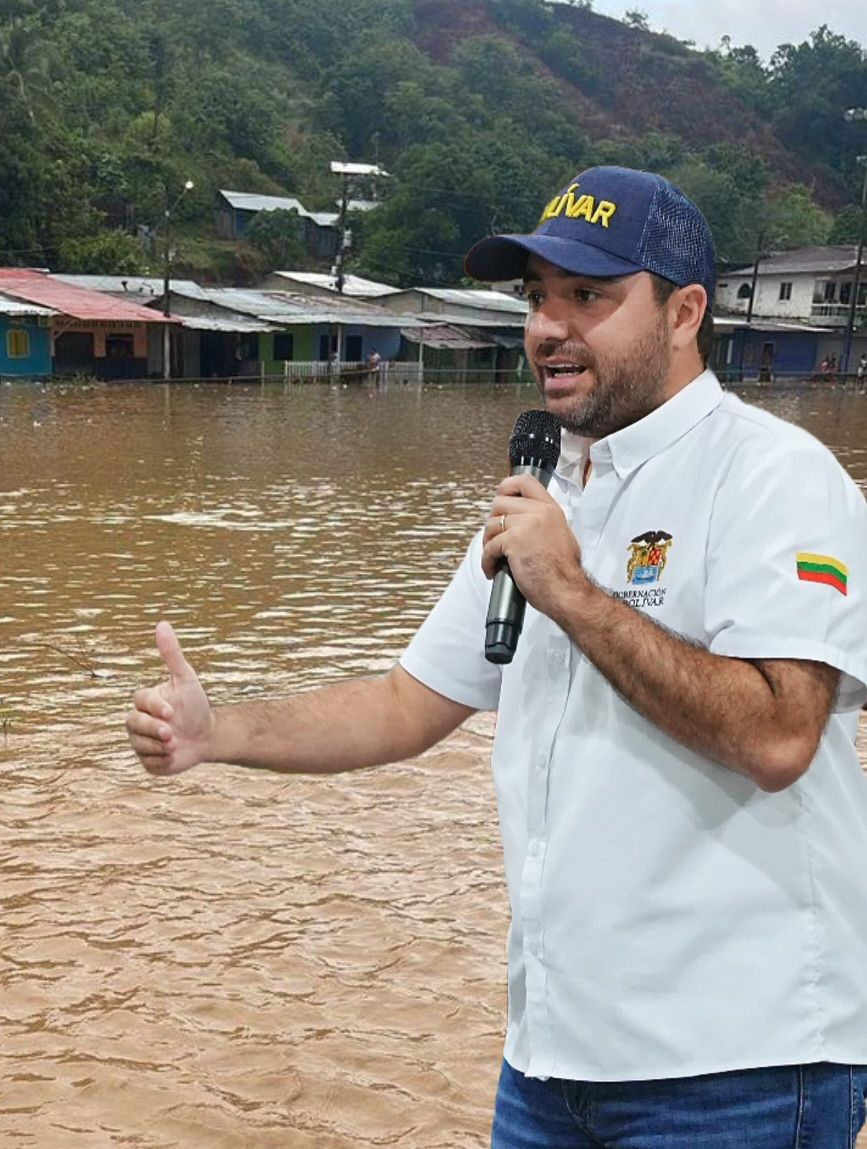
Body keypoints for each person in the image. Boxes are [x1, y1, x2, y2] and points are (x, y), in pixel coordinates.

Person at [125, 166, 867, 1146]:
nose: (550, 326)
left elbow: (780, 735)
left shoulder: (772, 477)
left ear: (685, 312)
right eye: (536, 298)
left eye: (589, 296)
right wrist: (222, 734)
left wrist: (571, 592)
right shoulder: (547, 493)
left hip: (738, 1063)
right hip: (556, 1061)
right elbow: (404, 704)